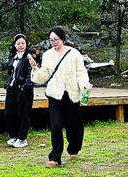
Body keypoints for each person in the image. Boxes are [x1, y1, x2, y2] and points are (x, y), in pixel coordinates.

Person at [30, 26, 93, 168]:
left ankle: (74, 149)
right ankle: (55, 158)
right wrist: (35, 69)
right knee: (56, 125)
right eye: (51, 40)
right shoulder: (47, 55)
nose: (53, 42)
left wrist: (85, 85)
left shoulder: (74, 53)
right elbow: (43, 77)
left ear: (62, 39)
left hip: (71, 94)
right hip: (54, 94)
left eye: (56, 39)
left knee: (74, 125)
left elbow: (81, 73)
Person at [4, 34, 35, 148]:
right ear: (15, 45)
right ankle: (13, 136)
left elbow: (30, 74)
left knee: (23, 113)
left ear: (26, 45)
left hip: (24, 89)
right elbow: (9, 72)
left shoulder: (29, 57)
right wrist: (8, 84)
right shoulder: (13, 56)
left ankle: (22, 138)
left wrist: (24, 86)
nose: (21, 45)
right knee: (9, 112)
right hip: (12, 88)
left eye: (23, 43)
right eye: (18, 43)